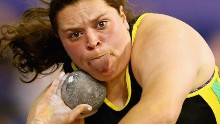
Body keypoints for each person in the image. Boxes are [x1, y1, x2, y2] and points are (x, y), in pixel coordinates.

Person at [0, 0, 220, 124]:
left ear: (122, 17)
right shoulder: (66, 93)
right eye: (75, 35)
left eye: (102, 24)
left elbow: (159, 115)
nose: (93, 41)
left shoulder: (164, 36)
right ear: (62, 41)